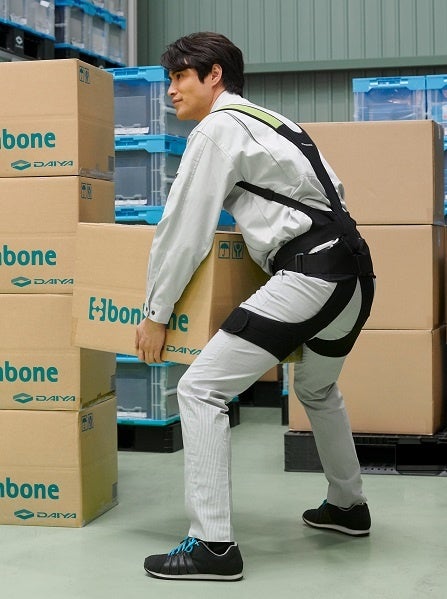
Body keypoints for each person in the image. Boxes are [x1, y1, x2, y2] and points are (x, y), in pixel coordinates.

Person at [135, 31, 375, 582]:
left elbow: (183, 231)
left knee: (199, 389)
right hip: (356, 274)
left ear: (214, 75)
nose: (171, 90)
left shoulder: (217, 129)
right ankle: (348, 506)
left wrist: (155, 313)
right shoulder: (276, 122)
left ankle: (213, 546)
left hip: (310, 274)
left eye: (180, 76)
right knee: (318, 389)